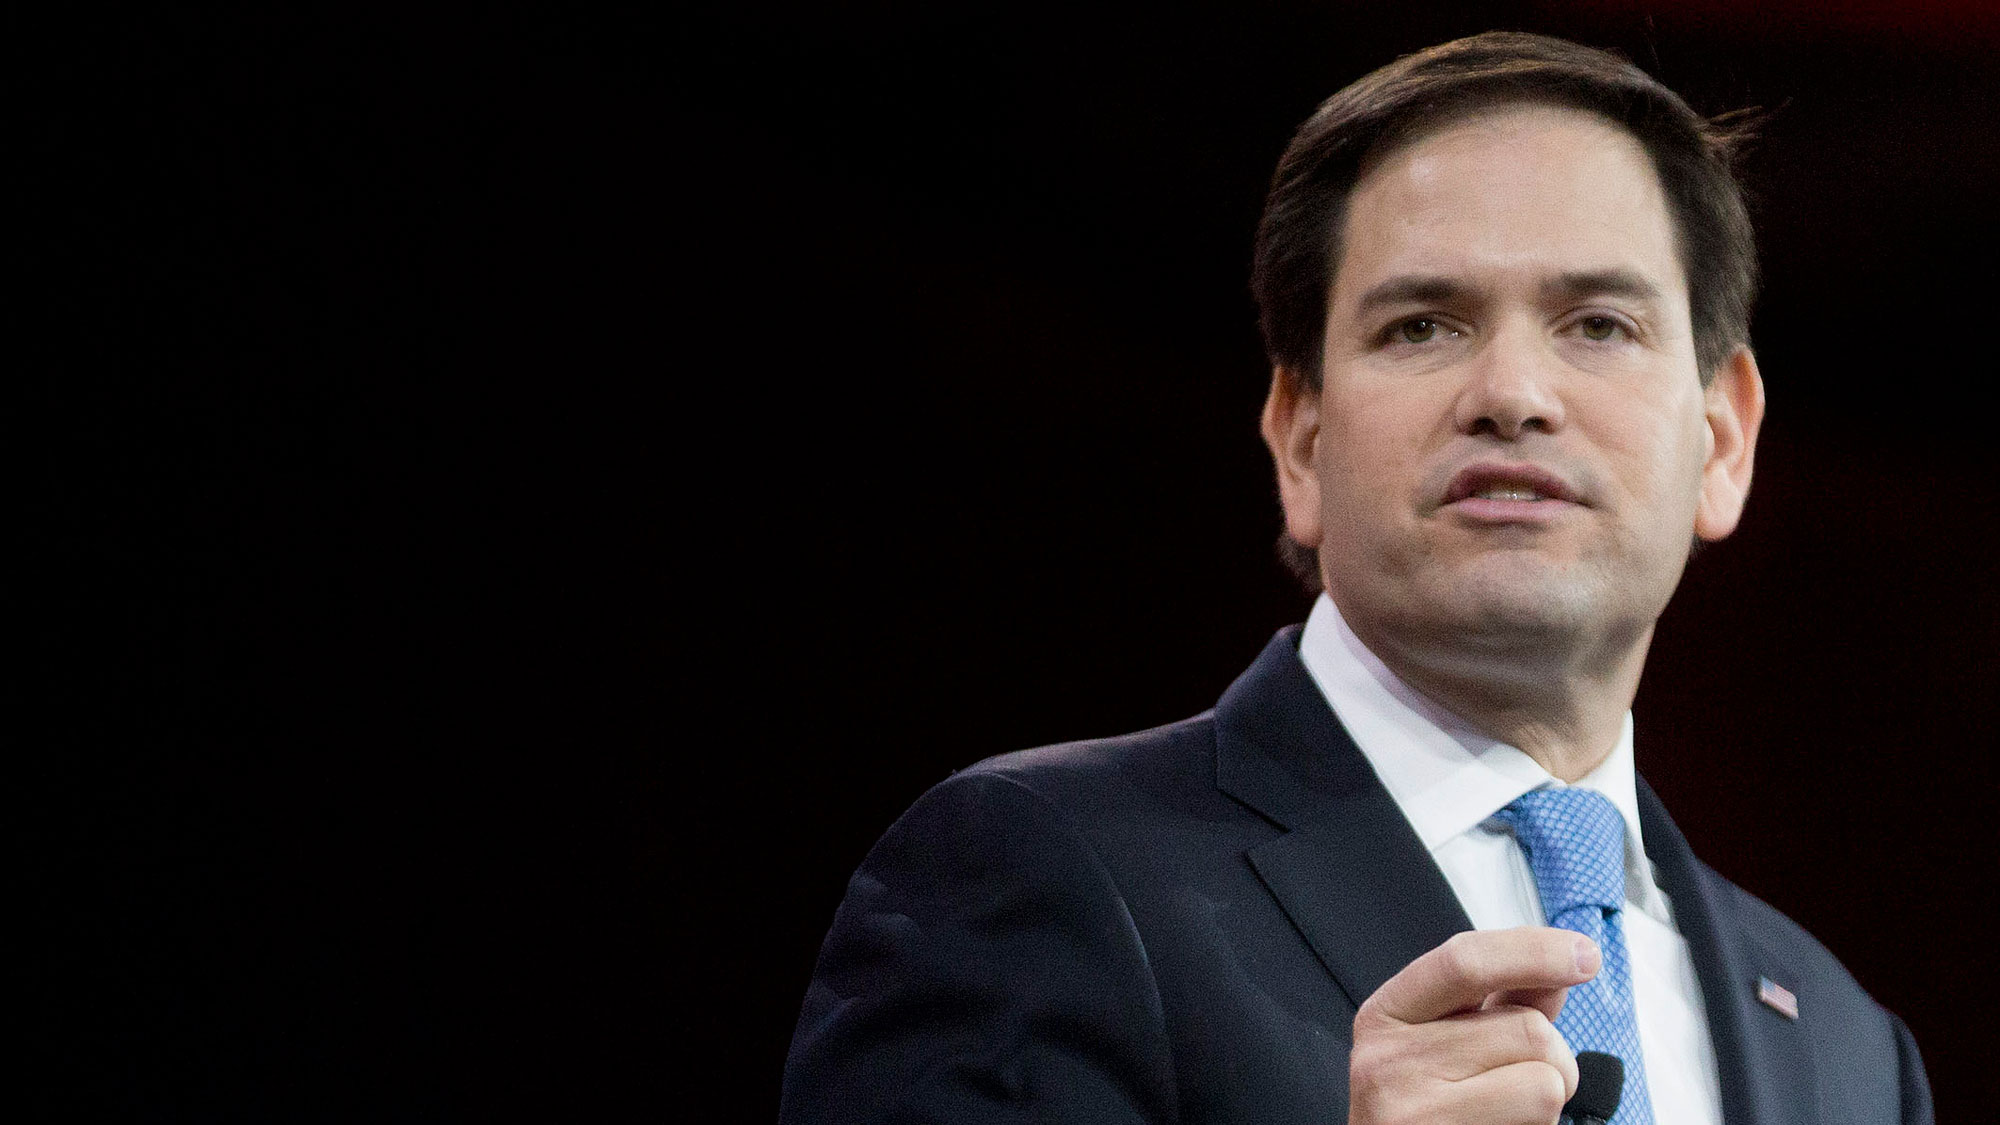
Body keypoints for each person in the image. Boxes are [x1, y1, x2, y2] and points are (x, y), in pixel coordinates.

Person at [780, 32, 1932, 1124]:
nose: (1512, 392)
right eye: (1422, 325)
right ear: (1297, 439)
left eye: (1597, 323)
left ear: (1721, 440)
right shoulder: (1034, 876)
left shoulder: (1842, 1046)